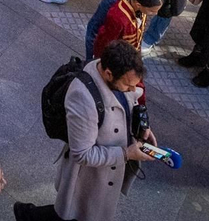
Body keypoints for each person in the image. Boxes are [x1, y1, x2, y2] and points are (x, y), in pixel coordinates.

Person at [45, 41, 152, 221]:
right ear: (109, 74)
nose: (134, 90)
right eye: (128, 85)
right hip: (88, 179)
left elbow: (128, 103)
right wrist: (126, 154)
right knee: (79, 213)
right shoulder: (82, 98)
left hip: (106, 172)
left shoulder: (113, 72)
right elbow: (82, 154)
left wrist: (141, 126)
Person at [93, 0, 163, 54]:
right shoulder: (117, 17)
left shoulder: (141, 11)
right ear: (138, 5)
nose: (155, 13)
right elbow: (106, 43)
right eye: (152, 11)